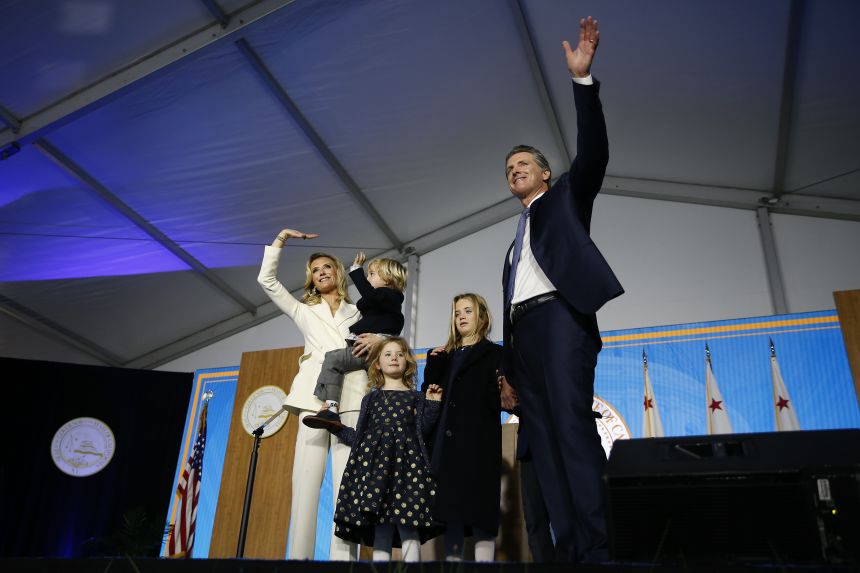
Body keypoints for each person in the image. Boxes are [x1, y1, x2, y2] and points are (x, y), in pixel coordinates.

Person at [500, 17, 623, 563]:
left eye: (523, 163)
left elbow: (593, 153)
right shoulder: (513, 240)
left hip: (560, 323)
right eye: (508, 168)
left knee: (571, 432)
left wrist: (583, 84)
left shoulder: (567, 199)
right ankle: (565, 550)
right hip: (523, 334)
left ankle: (596, 547)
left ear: (546, 174)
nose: (514, 171)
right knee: (543, 444)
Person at [257, 227, 380, 560]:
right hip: (314, 400)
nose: (321, 272)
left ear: (337, 273)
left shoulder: (357, 313)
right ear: (311, 280)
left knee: (346, 486)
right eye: (315, 270)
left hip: (351, 400)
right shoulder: (302, 310)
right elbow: (268, 282)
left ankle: (344, 561)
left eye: (327, 267)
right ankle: (298, 559)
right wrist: (280, 240)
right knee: (305, 485)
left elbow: (384, 333)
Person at [328, 337, 443, 562]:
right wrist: (336, 427)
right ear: (378, 363)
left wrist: (433, 404)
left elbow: (424, 430)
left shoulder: (416, 397)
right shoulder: (370, 399)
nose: (394, 358)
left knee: (409, 525)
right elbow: (360, 437)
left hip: (408, 472)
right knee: (381, 528)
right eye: (388, 354)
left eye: (400, 354)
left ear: (408, 363)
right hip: (376, 475)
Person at [421, 293, 503, 561]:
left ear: (482, 315)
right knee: (450, 517)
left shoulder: (495, 354)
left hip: (477, 445)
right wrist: (432, 369)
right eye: (457, 313)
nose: (462, 317)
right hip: (445, 449)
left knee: (481, 516)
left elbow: (500, 398)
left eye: (468, 311)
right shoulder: (443, 356)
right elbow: (429, 399)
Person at [303, 252, 407, 432]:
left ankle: (330, 406)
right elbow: (366, 302)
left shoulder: (390, 296)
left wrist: (357, 270)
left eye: (372, 274)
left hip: (370, 352)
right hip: (364, 351)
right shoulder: (381, 304)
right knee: (335, 363)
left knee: (333, 359)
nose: (368, 278)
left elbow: (371, 298)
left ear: (388, 278)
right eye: (367, 274)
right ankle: (331, 406)